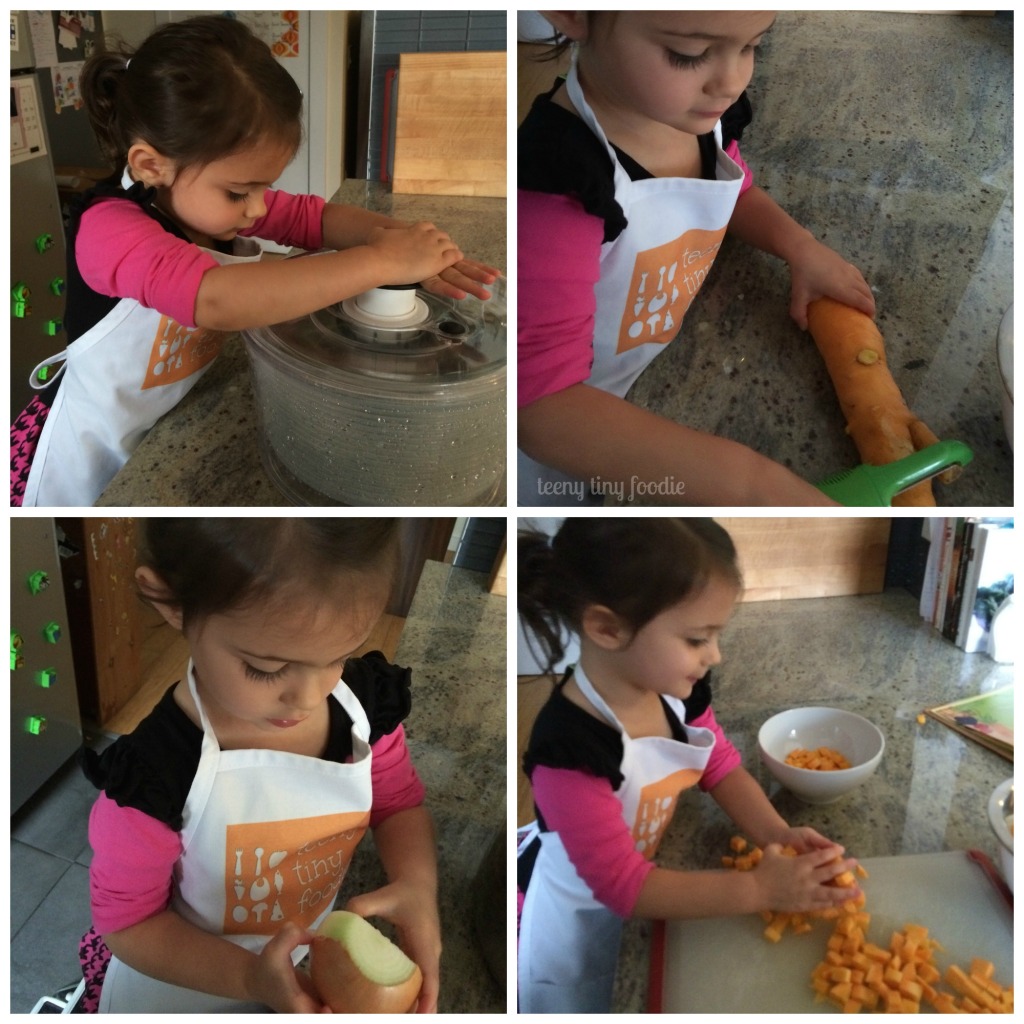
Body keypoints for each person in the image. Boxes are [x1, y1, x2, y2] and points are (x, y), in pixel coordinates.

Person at [12, 15, 499, 507]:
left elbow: (313, 219)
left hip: (161, 416)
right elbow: (216, 299)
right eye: (240, 191)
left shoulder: (206, 202)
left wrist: (408, 245)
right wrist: (378, 263)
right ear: (150, 166)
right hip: (82, 452)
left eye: (264, 186)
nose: (260, 208)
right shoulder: (109, 231)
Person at [79, 518, 440, 1013]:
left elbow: (398, 803)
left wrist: (417, 883)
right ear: (171, 602)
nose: (310, 697)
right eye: (266, 669)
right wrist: (252, 978)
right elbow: (129, 924)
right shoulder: (153, 777)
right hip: (188, 981)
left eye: (338, 656)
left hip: (306, 970)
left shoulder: (363, 712)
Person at [517, 11, 876, 506]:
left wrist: (800, 246)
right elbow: (541, 408)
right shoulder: (559, 182)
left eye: (752, 46)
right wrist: (754, 486)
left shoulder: (690, 116)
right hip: (572, 432)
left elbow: (732, 187)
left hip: (636, 370)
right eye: (688, 55)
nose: (731, 82)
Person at [517, 518, 859, 1012]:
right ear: (607, 628)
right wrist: (761, 888)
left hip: (647, 883)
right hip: (577, 922)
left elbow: (718, 764)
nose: (714, 656)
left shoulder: (677, 691)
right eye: (698, 639)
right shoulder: (568, 751)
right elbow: (623, 885)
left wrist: (776, 835)